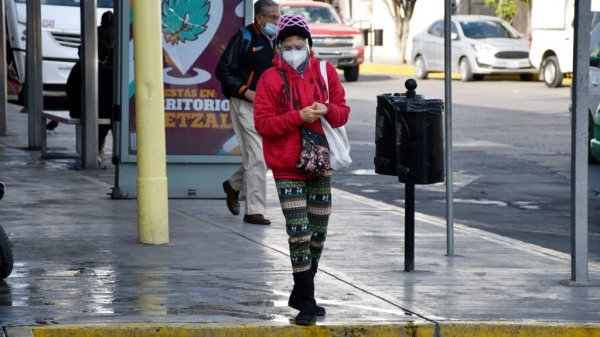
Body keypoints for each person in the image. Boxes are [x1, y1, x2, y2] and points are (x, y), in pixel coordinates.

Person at [253, 14, 350, 325]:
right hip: (286, 167)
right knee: (299, 232)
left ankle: (300, 291)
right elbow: (263, 124)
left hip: (319, 163)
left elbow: (342, 113)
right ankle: (306, 303)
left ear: (309, 45)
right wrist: (298, 116)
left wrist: (326, 109)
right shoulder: (269, 79)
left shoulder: (325, 72)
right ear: (279, 48)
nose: (294, 51)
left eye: (300, 45)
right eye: (288, 46)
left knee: (318, 233)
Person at [215, 0, 280, 225]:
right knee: (258, 157)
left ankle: (233, 185)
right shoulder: (243, 37)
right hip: (245, 103)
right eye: (272, 17)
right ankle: (254, 210)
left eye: (278, 17)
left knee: (266, 157)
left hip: (271, 107)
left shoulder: (276, 40)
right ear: (259, 17)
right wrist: (246, 91)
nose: (276, 22)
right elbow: (222, 70)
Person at [65, 42, 113, 153]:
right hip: (106, 113)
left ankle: (92, 149)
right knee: (106, 122)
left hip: (79, 111)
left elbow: (69, 90)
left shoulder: (78, 67)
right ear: (105, 56)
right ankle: (98, 148)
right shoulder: (111, 71)